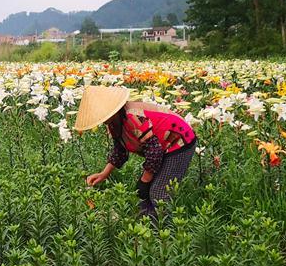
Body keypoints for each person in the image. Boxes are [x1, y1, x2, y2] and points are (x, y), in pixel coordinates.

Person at [75, 85, 196, 220]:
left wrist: (144, 181)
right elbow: (120, 150)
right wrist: (104, 173)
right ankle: (144, 224)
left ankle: (163, 233)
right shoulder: (114, 121)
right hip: (162, 147)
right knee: (146, 192)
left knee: (158, 194)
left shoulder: (133, 117)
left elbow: (154, 152)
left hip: (179, 142)